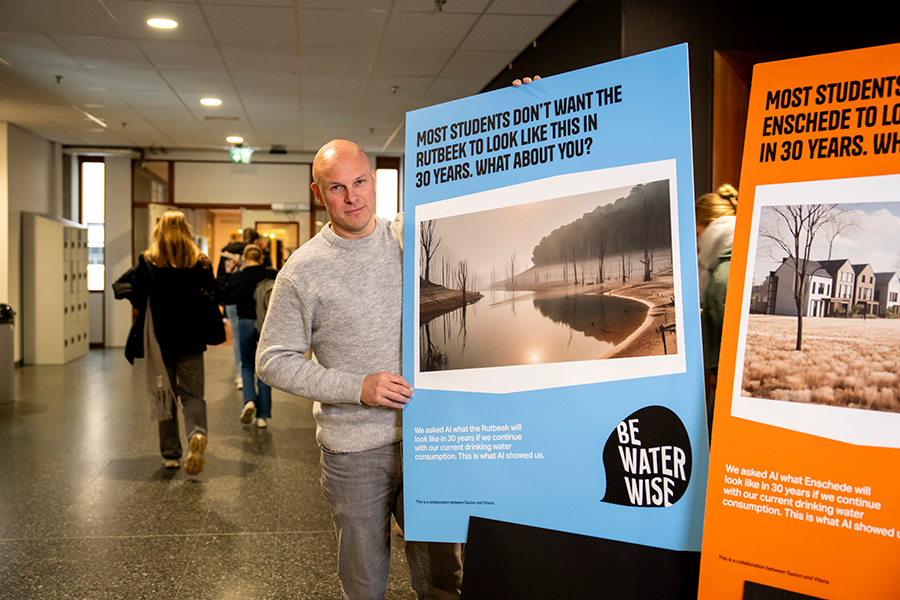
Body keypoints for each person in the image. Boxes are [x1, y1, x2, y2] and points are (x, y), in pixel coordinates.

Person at [257, 140, 463, 600]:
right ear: (318, 193)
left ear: (374, 180)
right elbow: (271, 359)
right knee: (364, 585)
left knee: (443, 581)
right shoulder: (302, 269)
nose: (352, 197)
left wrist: (526, 105)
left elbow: (488, 197)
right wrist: (358, 388)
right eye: (337, 187)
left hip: (430, 440)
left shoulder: (410, 238)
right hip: (354, 452)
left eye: (360, 182)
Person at [113, 210, 222, 475]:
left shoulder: (149, 260)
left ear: (159, 229)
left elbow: (122, 287)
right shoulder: (200, 261)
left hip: (159, 339)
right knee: (193, 394)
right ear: (187, 229)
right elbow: (214, 293)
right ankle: (197, 434)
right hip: (192, 338)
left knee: (166, 395)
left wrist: (147, 304)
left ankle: (171, 455)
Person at [219, 243, 277, 427]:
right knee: (264, 369)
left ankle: (250, 400)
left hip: (245, 324)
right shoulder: (270, 273)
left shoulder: (239, 277)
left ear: (244, 258)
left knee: (247, 365)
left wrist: (229, 272)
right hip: (266, 325)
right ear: (261, 257)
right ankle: (263, 417)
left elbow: (222, 294)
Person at [696, 183, 738, 437]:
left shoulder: (723, 273)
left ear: (711, 224)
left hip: (728, 388)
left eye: (698, 231)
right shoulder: (726, 263)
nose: (697, 240)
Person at [217, 226, 261, 390]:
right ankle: (255, 370)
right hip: (252, 301)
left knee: (236, 337)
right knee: (255, 335)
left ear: (242, 238)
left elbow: (220, 275)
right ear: (255, 240)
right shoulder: (256, 251)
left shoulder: (226, 252)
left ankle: (241, 374)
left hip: (232, 299)